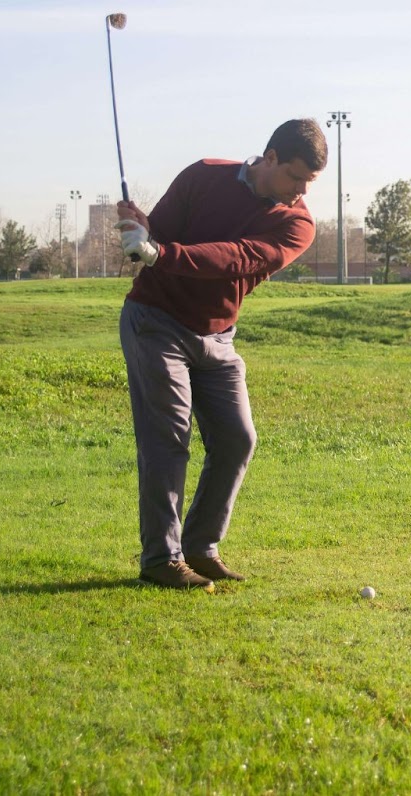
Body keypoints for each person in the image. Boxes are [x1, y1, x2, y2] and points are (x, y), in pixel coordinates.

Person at [115, 118, 326, 588]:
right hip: (155, 322)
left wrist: (158, 254)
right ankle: (160, 559)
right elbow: (163, 232)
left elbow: (236, 257)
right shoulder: (204, 174)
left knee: (237, 438)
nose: (298, 193)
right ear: (269, 157)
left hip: (217, 336)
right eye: (294, 178)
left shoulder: (297, 224)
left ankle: (200, 547)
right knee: (168, 439)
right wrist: (140, 228)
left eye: (308, 184)